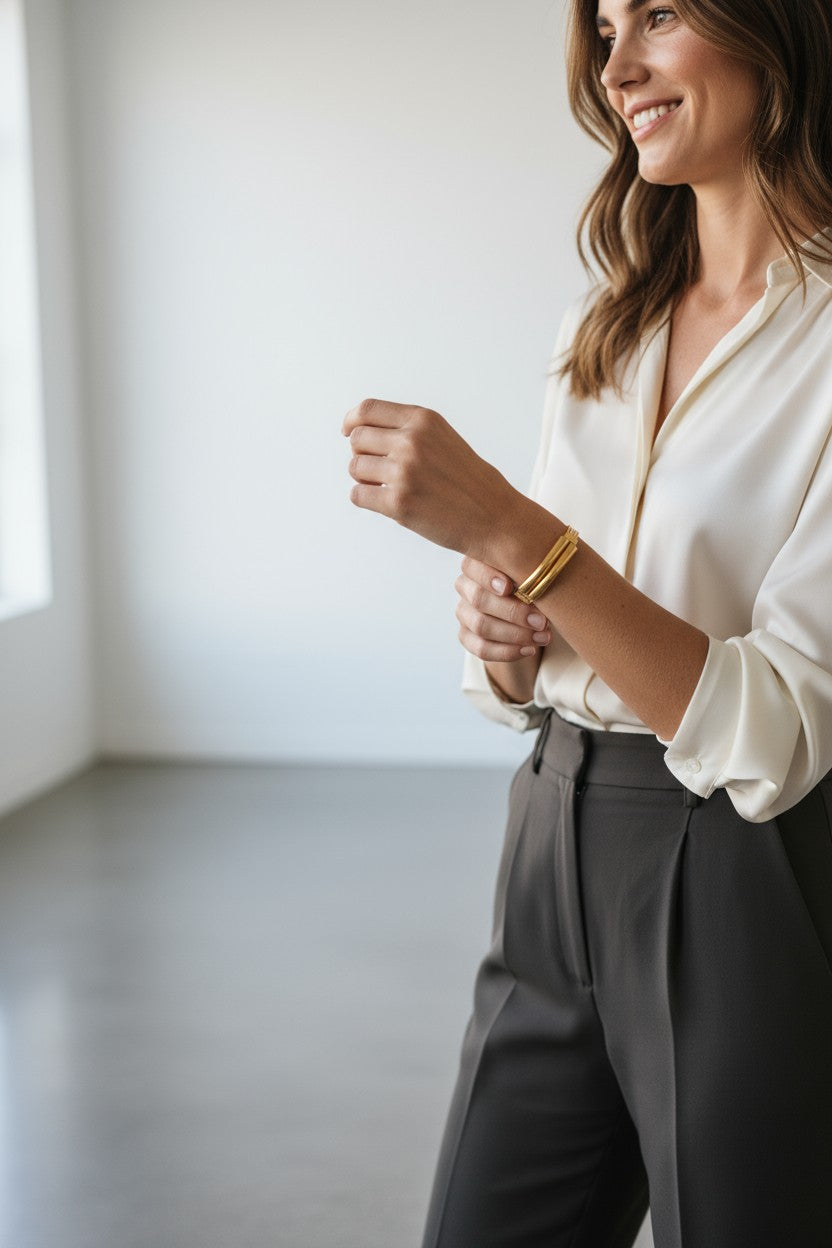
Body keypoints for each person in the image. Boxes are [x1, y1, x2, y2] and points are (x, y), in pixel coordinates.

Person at [342, 0, 832, 1243]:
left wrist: (513, 534)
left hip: (738, 866)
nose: (614, 68)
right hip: (550, 829)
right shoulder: (605, 321)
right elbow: (562, 603)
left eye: (657, 15)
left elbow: (774, 730)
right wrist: (500, 625)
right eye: (604, 25)